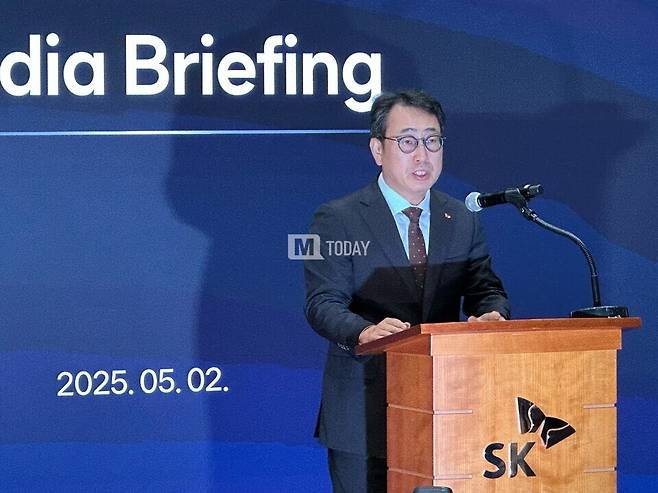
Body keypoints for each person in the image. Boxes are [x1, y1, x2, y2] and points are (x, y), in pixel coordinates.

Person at [304, 90, 510, 492]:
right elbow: (322, 302)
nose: (422, 155)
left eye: (432, 141)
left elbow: (484, 288)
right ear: (377, 150)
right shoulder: (337, 218)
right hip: (364, 411)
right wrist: (364, 331)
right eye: (408, 141)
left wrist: (493, 313)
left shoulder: (461, 218)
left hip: (446, 408)